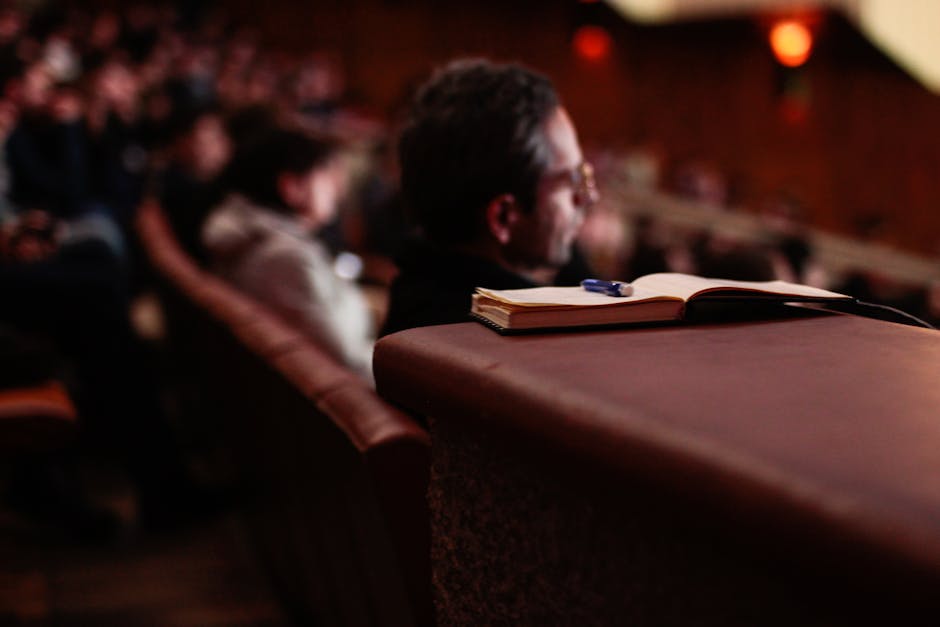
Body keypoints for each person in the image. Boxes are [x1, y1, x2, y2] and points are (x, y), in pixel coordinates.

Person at [380, 58, 598, 336]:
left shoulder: (418, 291)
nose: (590, 196)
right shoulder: (521, 338)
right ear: (503, 217)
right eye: (572, 182)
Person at [202, 127, 375, 380]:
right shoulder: (285, 260)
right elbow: (349, 363)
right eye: (325, 173)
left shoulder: (254, 236)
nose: (336, 187)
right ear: (292, 187)